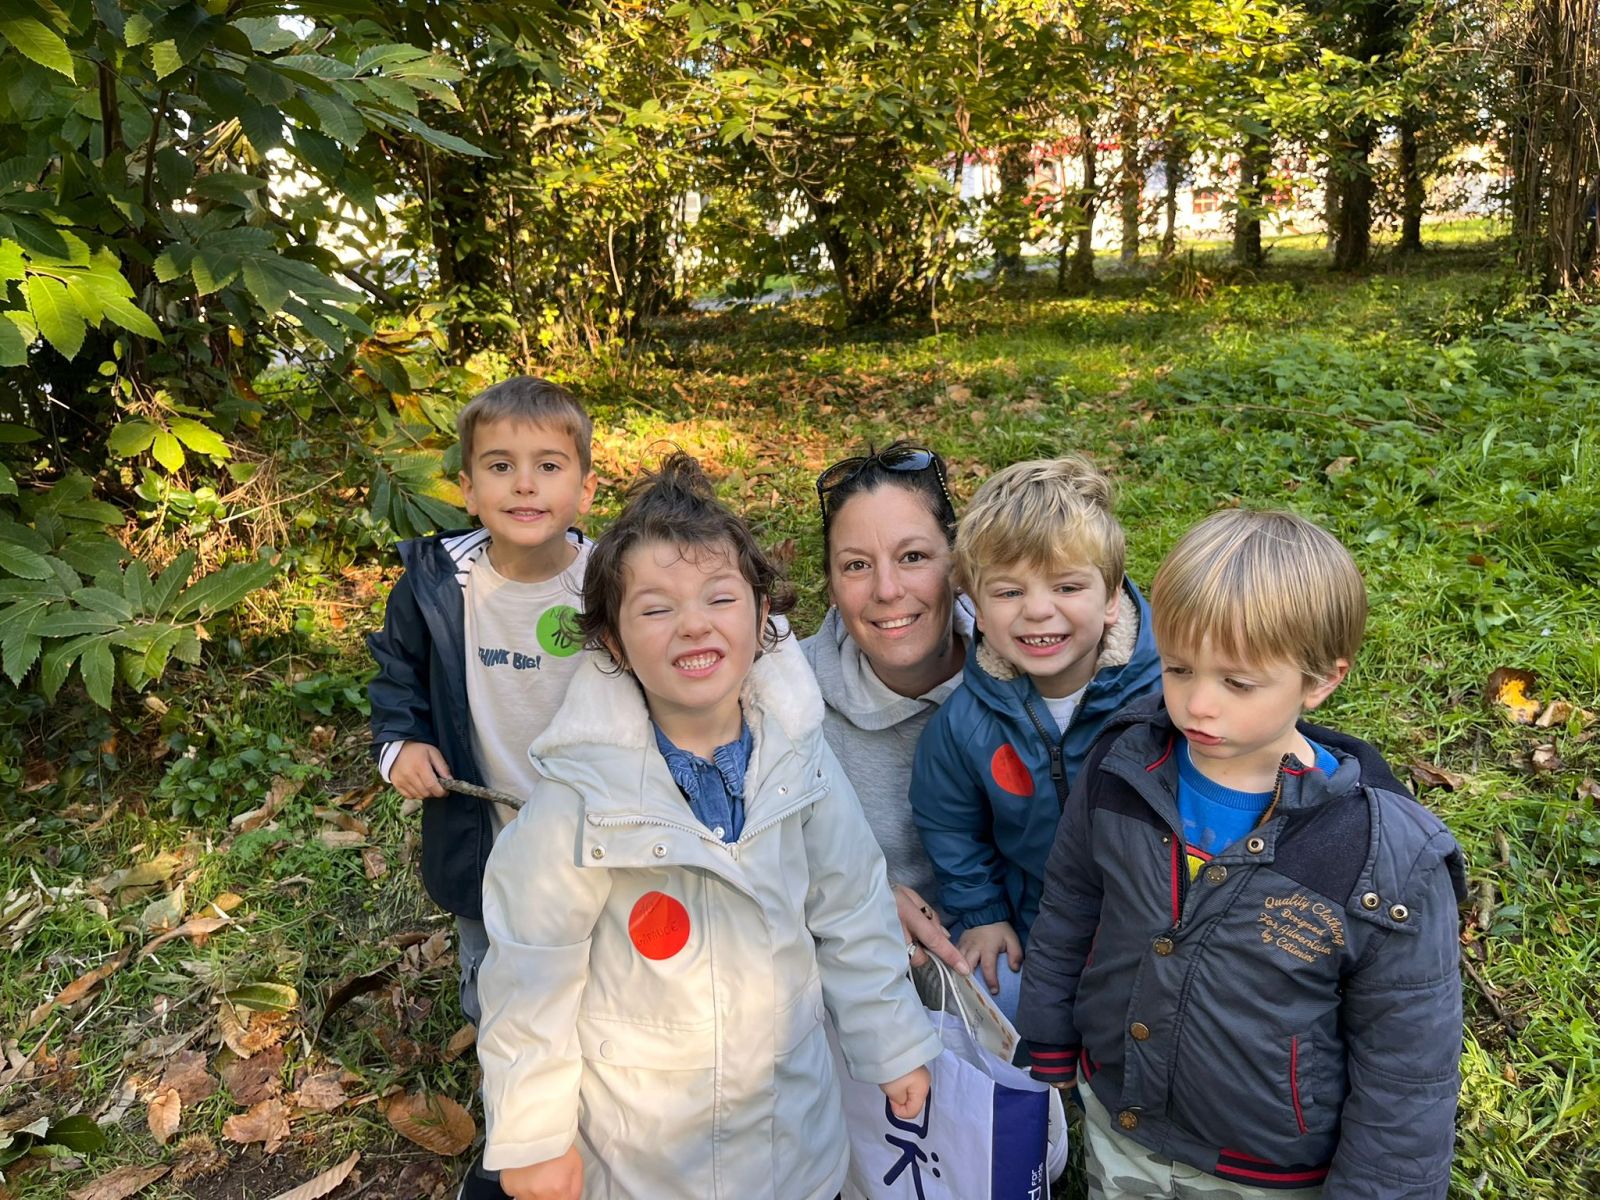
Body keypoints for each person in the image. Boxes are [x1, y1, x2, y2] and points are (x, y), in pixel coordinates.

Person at [476, 453, 940, 1200]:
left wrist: (890, 1040)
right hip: (645, 1156)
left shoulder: (800, 758)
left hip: (792, 1134)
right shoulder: (580, 797)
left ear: (762, 620)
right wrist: (535, 1134)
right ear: (615, 644)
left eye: (720, 598)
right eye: (656, 609)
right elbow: (532, 969)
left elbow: (852, 905)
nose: (693, 623)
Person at [1018, 509, 1465, 1199]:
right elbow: (1071, 904)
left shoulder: (1388, 859)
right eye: (1178, 668)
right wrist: (1047, 1034)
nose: (1198, 704)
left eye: (1238, 683)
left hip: (1270, 1174)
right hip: (1122, 1122)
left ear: (1320, 681)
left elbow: (1406, 1069)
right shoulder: (1121, 767)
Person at [367, 376, 598, 1028]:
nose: (524, 485)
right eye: (500, 467)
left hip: (593, 827)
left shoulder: (610, 581)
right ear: (468, 490)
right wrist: (402, 742)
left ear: (585, 489)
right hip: (483, 827)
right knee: (495, 972)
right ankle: (504, 1052)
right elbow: (398, 673)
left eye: (548, 467)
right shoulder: (438, 585)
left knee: (597, 958)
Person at [910, 455, 1162, 1018]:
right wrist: (984, 913)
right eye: (1008, 593)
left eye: (1067, 586)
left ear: (1111, 597)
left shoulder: (1165, 697)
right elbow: (949, 824)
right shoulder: (965, 722)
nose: (1039, 611)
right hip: (1037, 926)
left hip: (1151, 927)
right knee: (995, 997)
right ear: (975, 605)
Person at [801, 441, 974, 977]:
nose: (888, 589)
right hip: (856, 964)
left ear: (958, 565)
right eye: (856, 565)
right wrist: (860, 892)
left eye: (913, 557)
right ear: (832, 587)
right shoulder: (782, 697)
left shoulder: (1026, 660)